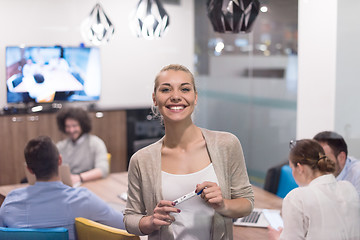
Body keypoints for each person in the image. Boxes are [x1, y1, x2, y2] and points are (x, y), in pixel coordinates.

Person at [124, 64, 254, 240]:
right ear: (155, 99)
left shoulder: (226, 144)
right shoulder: (141, 160)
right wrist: (151, 221)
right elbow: (130, 219)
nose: (176, 96)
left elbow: (247, 203)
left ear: (195, 97)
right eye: (166, 90)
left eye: (185, 89)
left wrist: (222, 204)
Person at [0, 136, 125, 240]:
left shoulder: (11, 202)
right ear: (60, 160)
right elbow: (125, 225)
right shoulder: (82, 199)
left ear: (29, 169)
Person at [268, 139, 360, 240]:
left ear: (300, 168)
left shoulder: (296, 198)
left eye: (292, 168)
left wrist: (276, 238)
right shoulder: (348, 187)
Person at [56, 107, 108, 185]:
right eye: (68, 126)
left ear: (83, 125)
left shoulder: (96, 143)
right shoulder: (60, 146)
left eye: (74, 126)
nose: (71, 130)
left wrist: (79, 177)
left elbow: (103, 170)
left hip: (90, 184)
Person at [314, 131, 360, 197]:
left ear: (341, 157)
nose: (319, 166)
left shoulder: (357, 174)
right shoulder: (313, 170)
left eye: (325, 160)